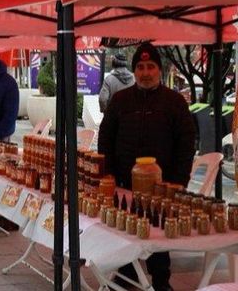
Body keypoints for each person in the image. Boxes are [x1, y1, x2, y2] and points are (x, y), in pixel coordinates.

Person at [98, 42, 196, 291]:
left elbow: (186, 145)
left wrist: (178, 182)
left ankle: (161, 281)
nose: (145, 72)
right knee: (127, 229)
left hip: (163, 185)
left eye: (150, 66)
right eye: (140, 67)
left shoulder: (174, 102)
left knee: (158, 231)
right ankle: (127, 271)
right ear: (134, 71)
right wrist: (108, 175)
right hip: (125, 182)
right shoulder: (120, 101)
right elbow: (105, 140)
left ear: (159, 70)